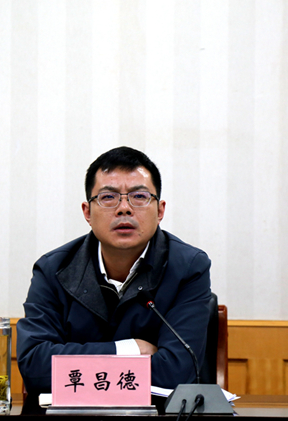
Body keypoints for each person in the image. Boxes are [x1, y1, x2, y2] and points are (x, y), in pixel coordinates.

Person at [16, 146, 211, 393]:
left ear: (160, 210)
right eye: (108, 197)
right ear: (87, 212)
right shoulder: (52, 269)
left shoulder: (188, 267)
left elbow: (177, 372)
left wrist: (75, 362)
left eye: (139, 196)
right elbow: (35, 366)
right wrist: (129, 349)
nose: (124, 208)